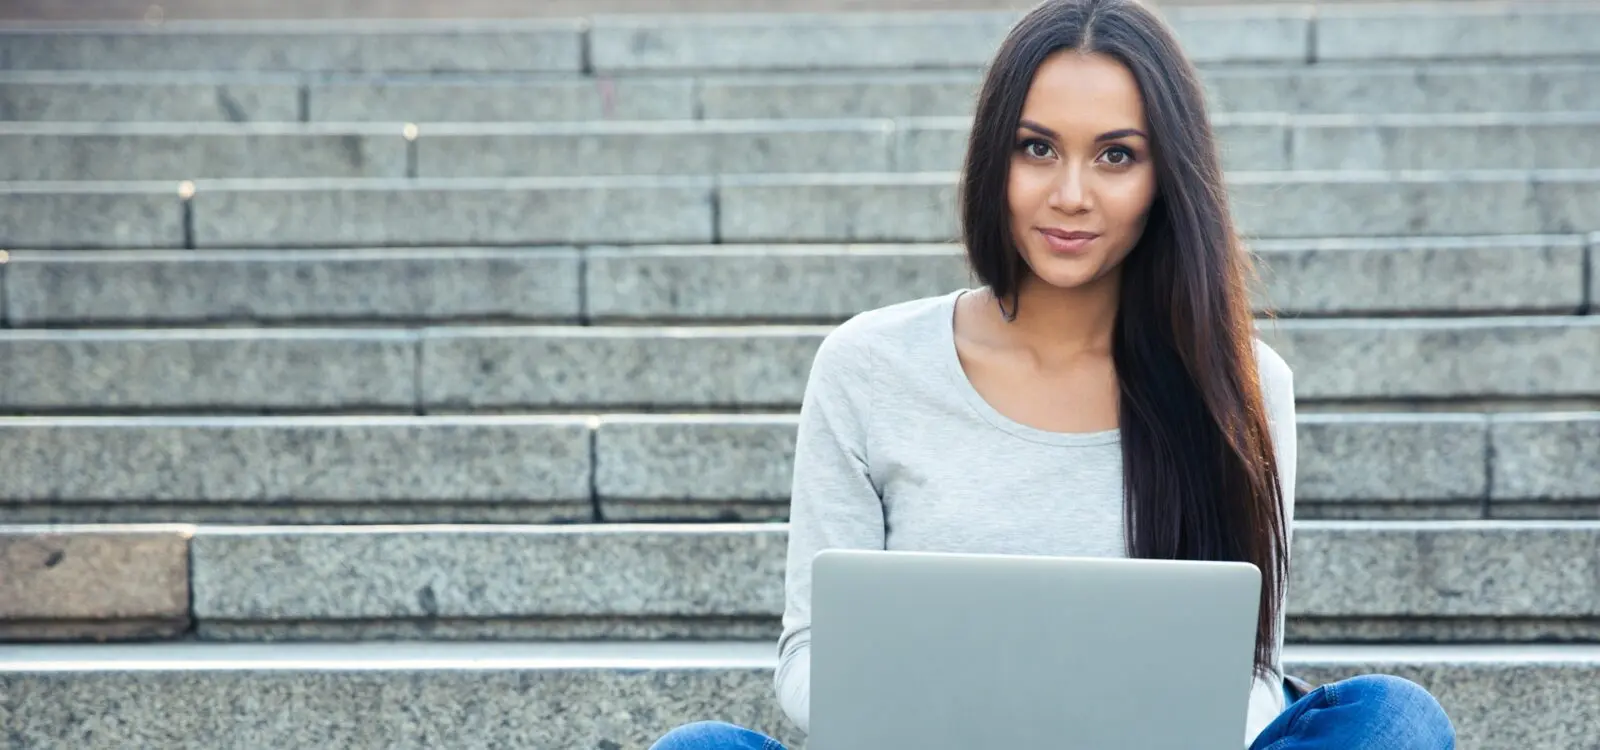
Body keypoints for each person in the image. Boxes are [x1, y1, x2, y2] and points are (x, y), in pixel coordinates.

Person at [651, 0, 1457, 747]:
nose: (1070, 195)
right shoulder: (867, 366)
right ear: (993, 158)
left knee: (1393, 720)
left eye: (1116, 155)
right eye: (1036, 149)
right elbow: (807, 657)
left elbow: (1241, 677)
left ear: (1165, 177)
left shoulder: (1240, 385)